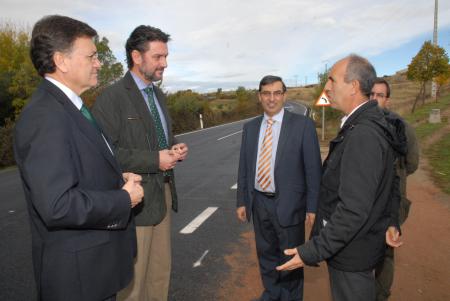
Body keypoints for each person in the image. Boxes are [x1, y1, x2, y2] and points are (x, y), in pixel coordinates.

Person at [13, 15, 144, 301]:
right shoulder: (45, 116)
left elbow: (77, 167)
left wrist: (116, 179)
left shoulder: (71, 107)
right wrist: (123, 199)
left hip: (94, 271)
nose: (99, 63)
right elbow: (57, 205)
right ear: (61, 61)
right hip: (78, 280)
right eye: (92, 56)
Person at [276, 55, 407, 301]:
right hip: (359, 246)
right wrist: (391, 221)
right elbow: (389, 182)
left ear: (354, 87)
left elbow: (353, 211)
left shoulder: (363, 135)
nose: (326, 87)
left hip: (353, 254)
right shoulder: (365, 125)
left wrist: (311, 251)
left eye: (332, 80)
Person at [92, 25, 188, 301]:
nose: (164, 63)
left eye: (166, 56)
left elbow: (159, 138)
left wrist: (174, 148)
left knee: (160, 273)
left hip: (163, 195)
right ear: (136, 56)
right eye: (158, 57)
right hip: (135, 203)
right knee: (132, 283)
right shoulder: (112, 99)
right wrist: (155, 159)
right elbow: (104, 156)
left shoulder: (157, 95)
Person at [236, 75, 322, 301]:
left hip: (290, 205)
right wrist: (242, 200)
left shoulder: (302, 125)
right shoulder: (250, 128)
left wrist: (313, 207)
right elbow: (244, 166)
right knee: (266, 255)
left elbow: (313, 170)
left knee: (290, 258)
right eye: (266, 93)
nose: (271, 98)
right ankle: (272, 294)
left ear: (284, 95)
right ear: (259, 96)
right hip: (259, 203)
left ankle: (291, 297)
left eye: (276, 93)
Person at [370, 78, 419, 301]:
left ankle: (380, 295)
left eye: (380, 95)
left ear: (387, 100)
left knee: (386, 251)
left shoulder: (402, 127)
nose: (374, 99)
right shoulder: (362, 124)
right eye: (371, 94)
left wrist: (392, 180)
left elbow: (412, 163)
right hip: (366, 201)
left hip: (393, 200)